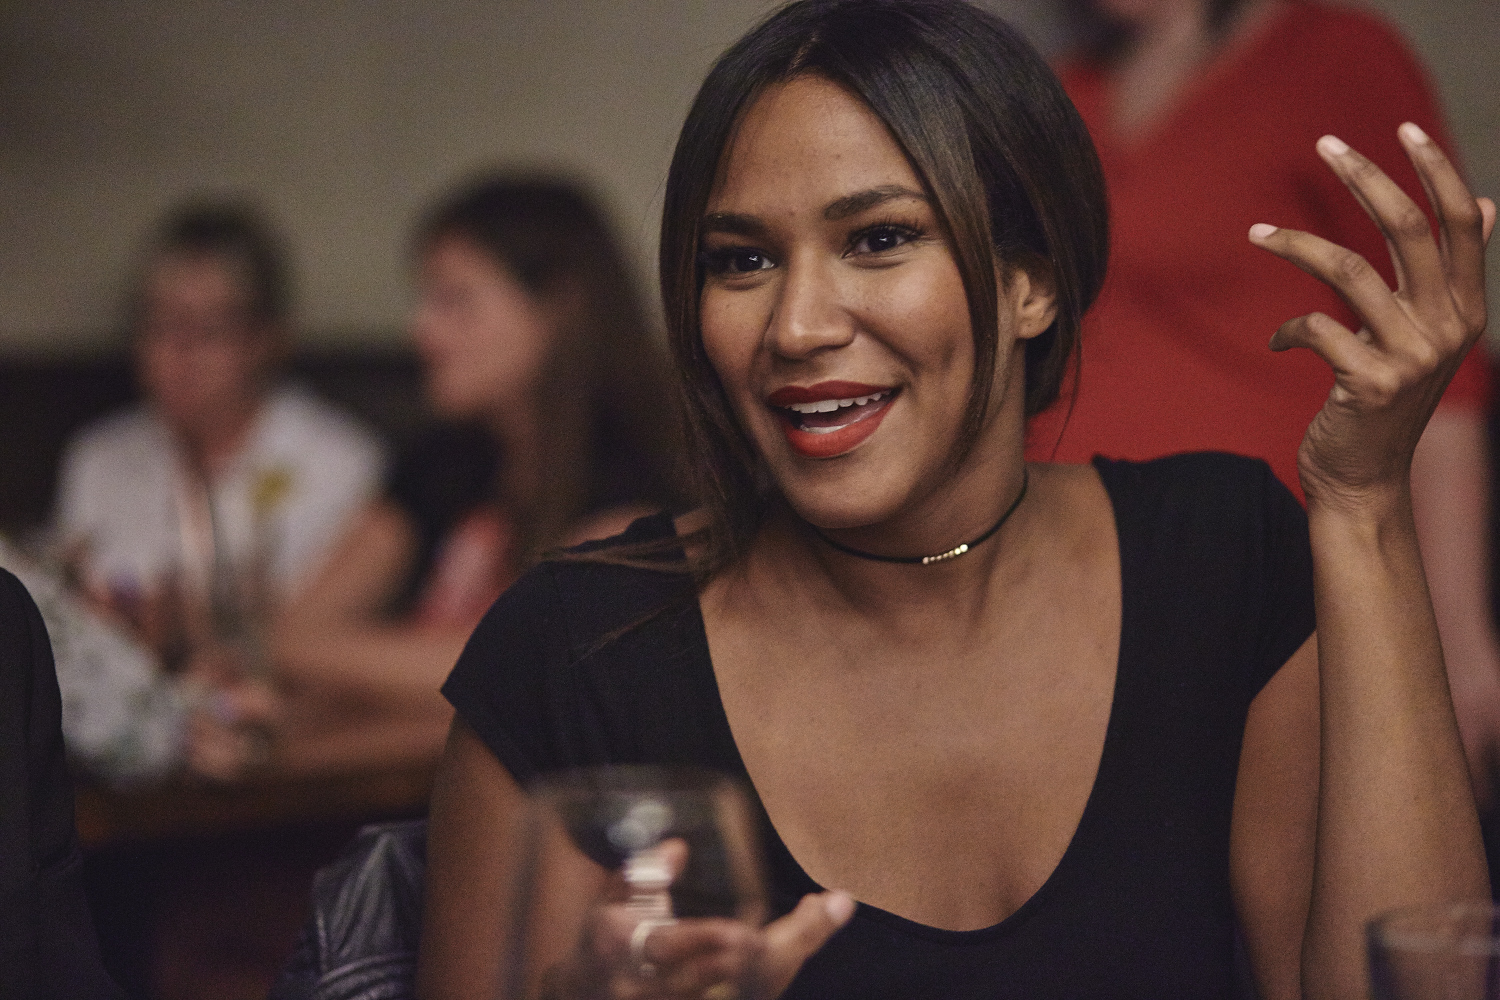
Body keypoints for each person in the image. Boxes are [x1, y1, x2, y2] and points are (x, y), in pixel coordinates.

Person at [419, 1, 1491, 997]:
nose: (795, 325)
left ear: (1033, 282)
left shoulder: (1222, 562)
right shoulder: (575, 649)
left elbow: (1417, 982)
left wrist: (1361, 505)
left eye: (879, 238)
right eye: (740, 259)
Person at [1025, 0, 1500, 803]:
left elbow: (1440, 371)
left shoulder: (1334, 55)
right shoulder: (1064, 88)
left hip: (1274, 580)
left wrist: (1457, 637)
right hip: (1066, 583)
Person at [271, 177, 680, 775]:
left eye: (455, 300)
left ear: (558, 312)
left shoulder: (631, 482)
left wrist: (296, 729)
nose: (422, 330)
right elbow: (301, 630)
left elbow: (525, 687)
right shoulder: (443, 459)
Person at [55, 202, 385, 659]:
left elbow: (303, 632)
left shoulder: (337, 459)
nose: (180, 353)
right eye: (161, 326)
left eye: (209, 331)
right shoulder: (99, 456)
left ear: (266, 340)